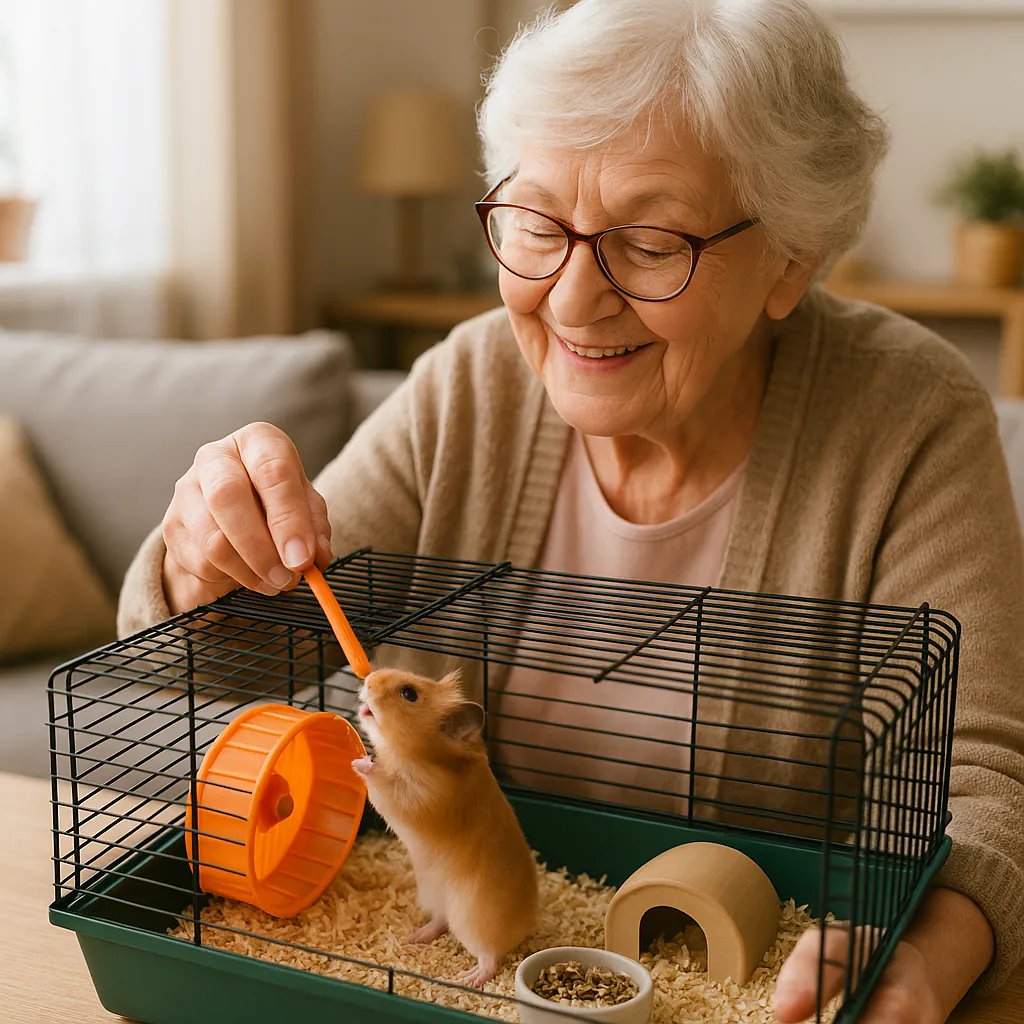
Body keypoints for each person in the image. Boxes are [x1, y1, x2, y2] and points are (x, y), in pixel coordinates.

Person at [118, 1, 1024, 1019]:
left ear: (790, 259)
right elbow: (236, 655)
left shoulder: (911, 417)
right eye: (538, 225)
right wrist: (202, 560)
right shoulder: (469, 386)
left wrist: (921, 955)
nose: (571, 300)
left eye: (650, 242)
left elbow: (987, 779)